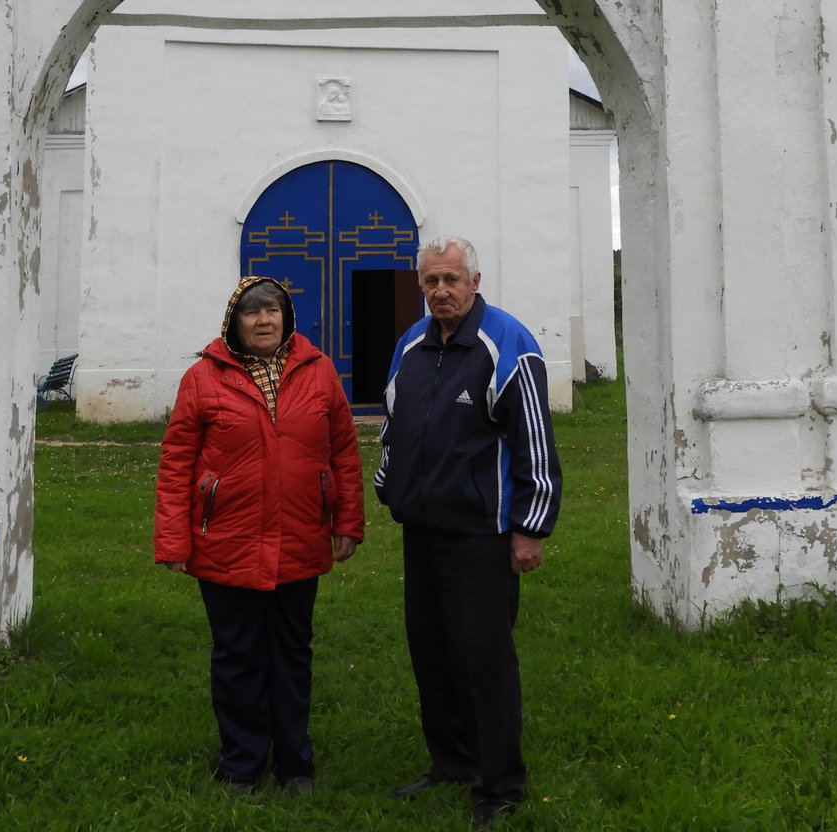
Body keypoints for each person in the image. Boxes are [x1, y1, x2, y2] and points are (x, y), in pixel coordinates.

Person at [374, 235, 562, 829]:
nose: (441, 291)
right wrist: (389, 485)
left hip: (483, 533)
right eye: (431, 281)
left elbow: (535, 443)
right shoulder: (411, 343)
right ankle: (451, 763)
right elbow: (393, 424)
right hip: (422, 527)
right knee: (431, 652)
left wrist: (530, 528)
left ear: (474, 282)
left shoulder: (508, 343)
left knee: (484, 659)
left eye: (452, 279)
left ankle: (500, 782)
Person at [156, 276, 364, 793]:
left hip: (299, 535)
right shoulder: (203, 378)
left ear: (286, 317)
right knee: (237, 656)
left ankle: (294, 763)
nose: (264, 320)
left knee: (292, 652)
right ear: (235, 323)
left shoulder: (319, 372)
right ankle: (241, 763)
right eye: (252, 313)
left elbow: (343, 450)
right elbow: (177, 461)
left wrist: (348, 521)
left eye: (272, 310)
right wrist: (174, 539)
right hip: (228, 540)